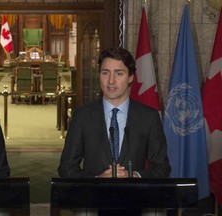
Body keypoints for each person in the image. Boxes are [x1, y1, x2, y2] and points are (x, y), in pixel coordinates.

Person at [58, 47, 171, 215]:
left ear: (131, 77)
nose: (111, 81)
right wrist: (96, 180)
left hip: (135, 202)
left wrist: (133, 176)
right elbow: (66, 167)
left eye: (119, 73)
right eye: (105, 73)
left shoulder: (149, 117)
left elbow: (162, 168)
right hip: (93, 202)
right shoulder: (82, 116)